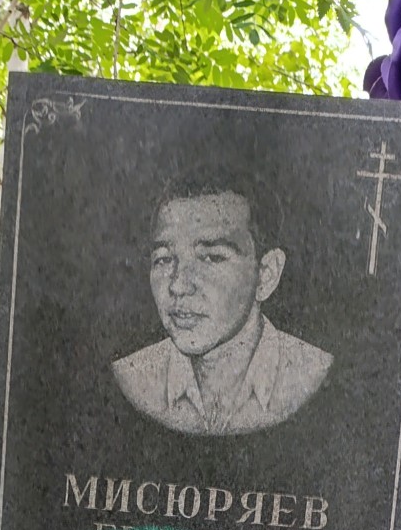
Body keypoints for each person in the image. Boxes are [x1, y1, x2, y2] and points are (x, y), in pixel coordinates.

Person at [113, 177, 332, 437]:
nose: (178, 285)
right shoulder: (130, 380)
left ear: (266, 274)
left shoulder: (316, 377)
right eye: (163, 259)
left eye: (210, 257)